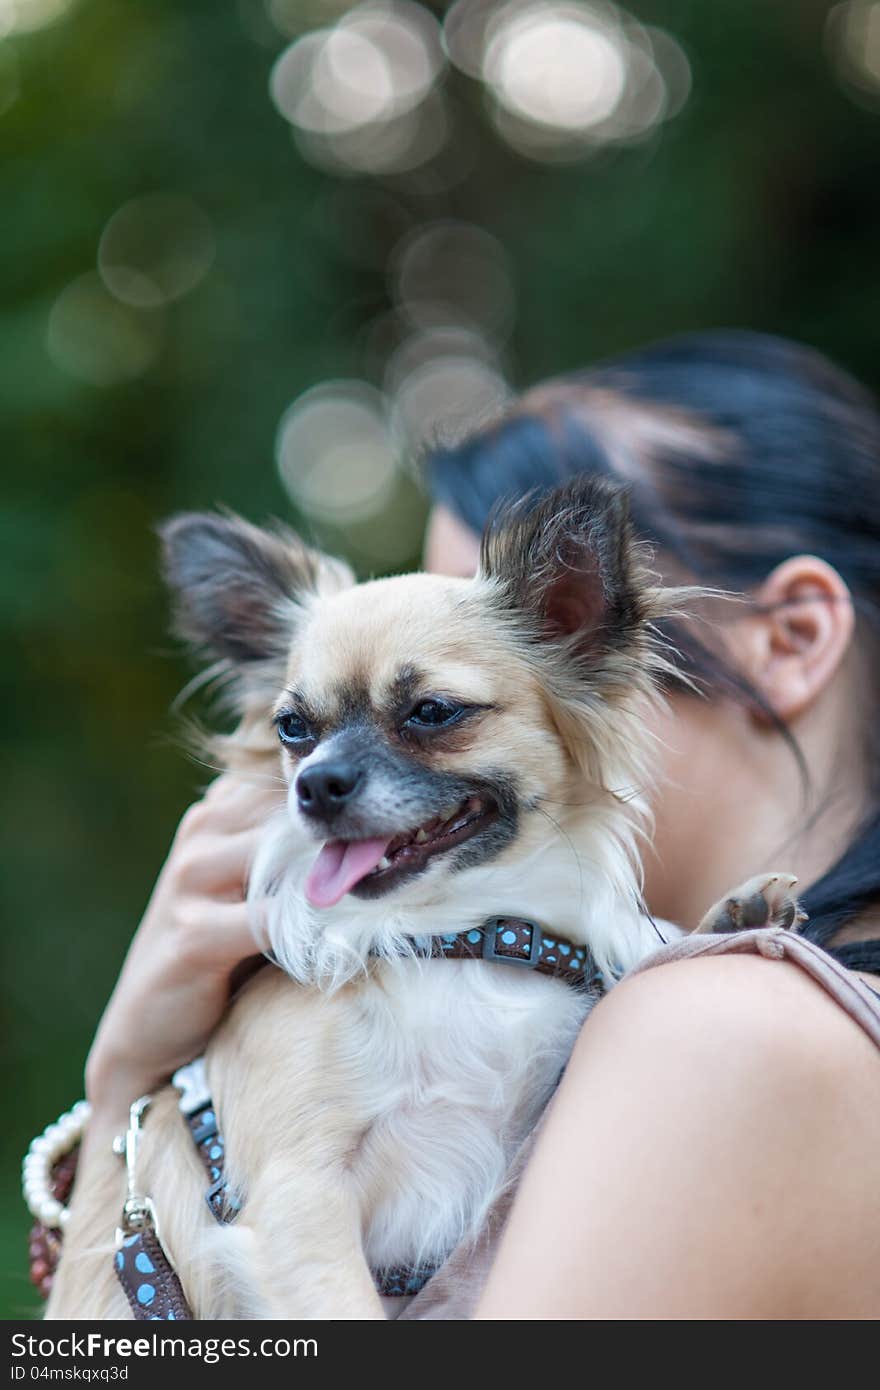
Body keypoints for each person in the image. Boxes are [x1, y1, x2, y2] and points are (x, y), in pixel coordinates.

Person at [81, 331, 880, 1318]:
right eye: (301, 730)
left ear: (790, 638)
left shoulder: (719, 1030)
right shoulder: (687, 1011)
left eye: (563, 610)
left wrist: (118, 1090)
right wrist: (132, 1090)